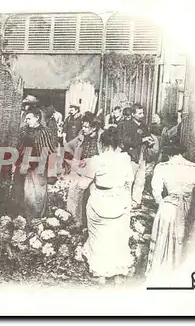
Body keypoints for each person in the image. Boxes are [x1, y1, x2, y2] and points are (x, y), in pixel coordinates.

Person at [77, 127, 134, 284]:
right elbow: (129, 182)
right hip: (120, 202)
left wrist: (80, 174)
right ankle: (118, 275)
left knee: (98, 238)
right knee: (119, 239)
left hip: (100, 203)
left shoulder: (96, 160)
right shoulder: (125, 159)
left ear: (102, 143)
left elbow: (82, 185)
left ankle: (101, 274)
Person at [146, 142, 195, 279]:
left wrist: (162, 204)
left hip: (169, 207)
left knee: (165, 240)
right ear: (183, 153)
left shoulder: (162, 167)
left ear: (168, 153)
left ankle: (164, 272)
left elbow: (156, 192)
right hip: (189, 207)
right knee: (184, 238)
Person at [14, 108, 57, 221]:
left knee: (38, 193)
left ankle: (38, 219)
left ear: (37, 118)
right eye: (25, 119)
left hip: (39, 167)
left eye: (29, 118)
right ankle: (25, 217)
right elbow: (18, 148)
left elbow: (50, 151)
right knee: (24, 193)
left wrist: (51, 171)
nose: (26, 121)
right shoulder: (23, 131)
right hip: (24, 166)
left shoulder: (45, 132)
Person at [64, 112, 101, 227]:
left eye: (86, 127)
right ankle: (76, 221)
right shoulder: (81, 137)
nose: (83, 129)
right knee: (75, 195)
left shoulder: (101, 138)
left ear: (94, 127)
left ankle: (89, 223)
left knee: (90, 197)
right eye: (83, 126)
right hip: (81, 169)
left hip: (95, 172)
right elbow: (68, 146)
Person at [117, 103, 154, 208]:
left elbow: (148, 136)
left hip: (142, 156)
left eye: (143, 113)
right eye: (139, 113)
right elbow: (126, 140)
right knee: (128, 180)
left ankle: (136, 201)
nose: (142, 115)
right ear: (133, 114)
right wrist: (142, 139)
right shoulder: (125, 125)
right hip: (132, 156)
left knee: (140, 180)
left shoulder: (143, 125)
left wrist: (150, 141)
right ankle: (125, 201)